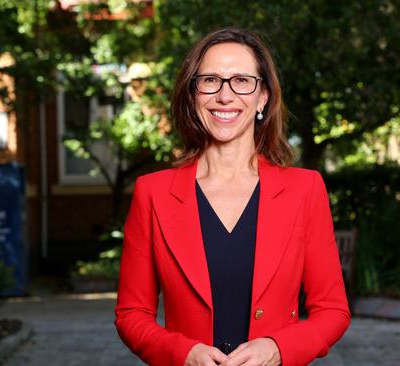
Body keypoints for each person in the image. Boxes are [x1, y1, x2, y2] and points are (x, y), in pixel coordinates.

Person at [115, 27, 350, 366]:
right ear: (192, 93)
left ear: (263, 96)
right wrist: (182, 354)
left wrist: (279, 349)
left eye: (242, 80)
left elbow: (332, 310)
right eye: (210, 80)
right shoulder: (152, 193)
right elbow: (131, 313)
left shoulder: (305, 189)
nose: (225, 96)